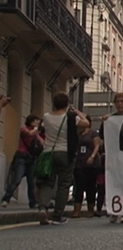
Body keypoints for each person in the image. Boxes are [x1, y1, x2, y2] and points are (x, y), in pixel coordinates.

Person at [38, 92, 89, 225]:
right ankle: (57, 215)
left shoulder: (46, 117)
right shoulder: (71, 117)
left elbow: (42, 129)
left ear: (54, 103)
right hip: (66, 153)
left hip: (48, 152)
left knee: (47, 182)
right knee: (63, 184)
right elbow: (86, 123)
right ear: (67, 104)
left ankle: (43, 208)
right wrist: (77, 112)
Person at [99, 92, 123, 224]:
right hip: (114, 155)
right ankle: (113, 210)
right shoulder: (109, 120)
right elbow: (102, 137)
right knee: (114, 182)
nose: (120, 104)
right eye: (117, 101)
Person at [1, 115, 44, 208]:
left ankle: (32, 202)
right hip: (21, 157)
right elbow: (29, 134)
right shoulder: (24, 129)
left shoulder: (36, 133)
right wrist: (36, 129)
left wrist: (39, 134)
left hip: (31, 158)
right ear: (31, 121)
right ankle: (5, 199)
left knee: (31, 182)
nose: (38, 123)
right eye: (36, 121)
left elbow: (42, 143)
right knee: (17, 179)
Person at [72, 115, 101, 218]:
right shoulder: (78, 134)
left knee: (90, 187)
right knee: (79, 186)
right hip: (79, 162)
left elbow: (97, 145)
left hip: (91, 163)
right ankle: (77, 210)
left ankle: (90, 209)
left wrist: (92, 156)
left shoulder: (93, 133)